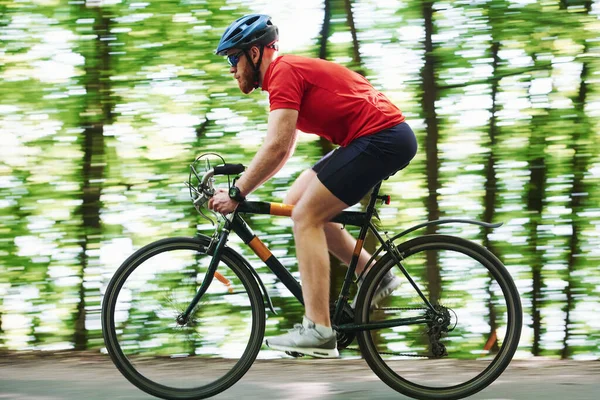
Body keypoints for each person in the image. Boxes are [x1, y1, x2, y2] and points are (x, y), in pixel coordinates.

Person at [208, 14, 418, 358]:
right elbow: (284, 147)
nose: (231, 68)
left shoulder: (283, 72)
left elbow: (275, 146)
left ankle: (319, 330)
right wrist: (245, 190)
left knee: (307, 215)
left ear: (256, 53)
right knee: (297, 201)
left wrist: (237, 193)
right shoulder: (283, 78)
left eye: (234, 58)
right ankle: (375, 274)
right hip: (374, 138)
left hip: (381, 138)